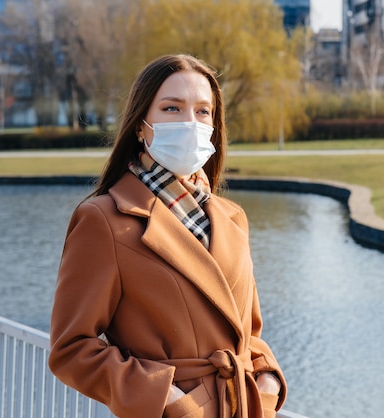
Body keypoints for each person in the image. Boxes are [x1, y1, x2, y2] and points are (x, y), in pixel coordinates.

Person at [48, 54, 287, 418]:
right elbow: (71, 349)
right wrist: (168, 399)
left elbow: (249, 331)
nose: (190, 123)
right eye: (172, 108)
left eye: (203, 111)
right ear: (141, 125)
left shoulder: (232, 217)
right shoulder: (103, 219)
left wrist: (267, 379)